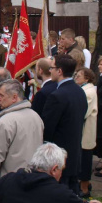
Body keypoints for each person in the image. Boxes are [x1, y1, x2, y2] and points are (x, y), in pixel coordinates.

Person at [0, 79, 44, 194]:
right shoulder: (36, 117)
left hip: (9, 183)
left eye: (1, 95)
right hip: (32, 180)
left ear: (14, 97)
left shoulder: (5, 122)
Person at [41, 54, 87, 193]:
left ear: (59, 71)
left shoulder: (57, 96)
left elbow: (47, 127)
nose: (50, 71)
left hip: (58, 156)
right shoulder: (79, 91)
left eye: (52, 68)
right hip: (74, 152)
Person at [74, 68, 98, 198]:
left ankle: (84, 188)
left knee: (84, 161)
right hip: (83, 132)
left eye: (79, 76)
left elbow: (82, 111)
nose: (76, 77)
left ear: (87, 78)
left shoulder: (88, 92)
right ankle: (84, 184)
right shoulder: (84, 90)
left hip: (86, 133)